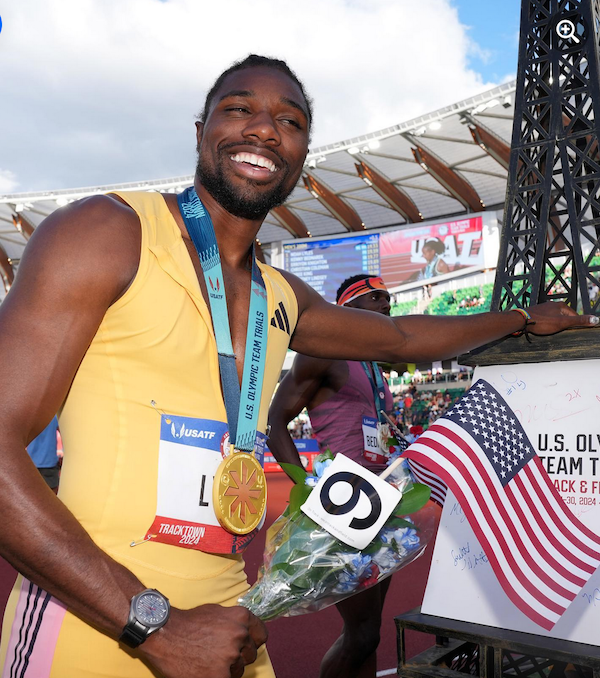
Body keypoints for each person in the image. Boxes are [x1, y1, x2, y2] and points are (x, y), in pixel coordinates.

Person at [0, 54, 596, 678]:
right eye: (240, 109)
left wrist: (521, 319)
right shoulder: (106, 231)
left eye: (290, 121)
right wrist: (154, 625)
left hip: (231, 624)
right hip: (99, 623)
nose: (264, 129)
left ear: (303, 151)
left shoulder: (279, 296)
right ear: (201, 127)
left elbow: (399, 337)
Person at [267, 273, 398, 678]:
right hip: (343, 504)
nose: (386, 304)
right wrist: (309, 488)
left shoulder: (374, 364)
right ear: (348, 309)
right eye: (375, 298)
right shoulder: (323, 353)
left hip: (383, 500)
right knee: (361, 634)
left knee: (371, 631)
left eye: (388, 299)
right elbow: (274, 422)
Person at [26, 415, 60, 494]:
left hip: (31, 462)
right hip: (49, 462)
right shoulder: (54, 417)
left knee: (32, 494)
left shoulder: (29, 417)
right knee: (51, 495)